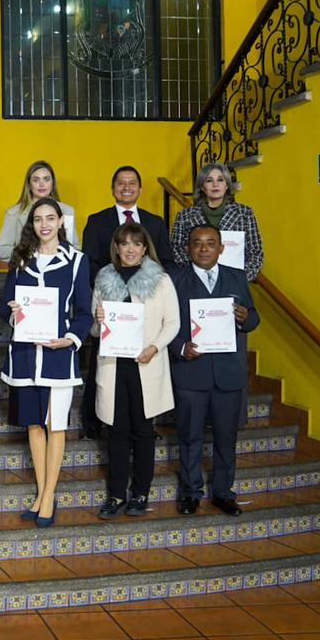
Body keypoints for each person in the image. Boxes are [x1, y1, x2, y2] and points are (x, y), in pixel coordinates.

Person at [1, 198, 92, 528]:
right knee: (34, 425)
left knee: (56, 425)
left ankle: (49, 496)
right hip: (25, 354)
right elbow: (5, 305)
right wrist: (14, 312)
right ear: (31, 224)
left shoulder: (77, 261)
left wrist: (71, 338)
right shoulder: (20, 260)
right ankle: (41, 494)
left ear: (61, 222)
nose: (44, 225)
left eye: (50, 218)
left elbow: (84, 312)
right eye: (38, 219)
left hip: (58, 356)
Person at [90, 223, 179, 520]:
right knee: (116, 432)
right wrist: (98, 320)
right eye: (124, 243)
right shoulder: (104, 279)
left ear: (144, 249)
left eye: (136, 244)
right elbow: (93, 329)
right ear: (116, 247)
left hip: (146, 364)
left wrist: (154, 347)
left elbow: (173, 323)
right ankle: (116, 494)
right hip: (114, 366)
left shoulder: (161, 280)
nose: (130, 249)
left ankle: (140, 493)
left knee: (143, 432)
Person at [169, 224, 260, 517]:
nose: (204, 248)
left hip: (228, 373)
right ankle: (190, 493)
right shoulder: (174, 280)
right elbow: (163, 323)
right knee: (190, 437)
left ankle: (223, 493)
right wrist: (180, 348)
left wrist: (246, 318)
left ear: (221, 248)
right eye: (197, 243)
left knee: (226, 438)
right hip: (191, 371)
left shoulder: (237, 277)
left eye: (210, 243)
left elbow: (253, 317)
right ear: (188, 249)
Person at [79, 166, 173, 440]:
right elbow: (90, 261)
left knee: (144, 377)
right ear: (113, 189)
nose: (127, 187)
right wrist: (110, 292)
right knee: (103, 372)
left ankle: (144, 426)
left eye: (132, 183)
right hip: (110, 307)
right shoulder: (97, 221)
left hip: (147, 310)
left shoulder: (155, 222)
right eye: (121, 183)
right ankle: (94, 422)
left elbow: (165, 260)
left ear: (140, 189)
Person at [170, 162, 265, 282]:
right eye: (209, 180)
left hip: (234, 283)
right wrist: (197, 276)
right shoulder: (185, 216)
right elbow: (176, 250)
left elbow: (256, 253)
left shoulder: (245, 213)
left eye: (220, 180)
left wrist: (240, 279)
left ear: (227, 185)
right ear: (202, 187)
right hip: (195, 282)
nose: (215, 184)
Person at [0, 161, 76, 262]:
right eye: (36, 180)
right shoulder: (14, 213)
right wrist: (30, 257)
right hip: (26, 268)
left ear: (53, 183)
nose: (42, 184)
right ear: (29, 184)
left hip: (62, 268)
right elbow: (1, 250)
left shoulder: (67, 211)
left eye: (46, 179)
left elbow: (74, 247)